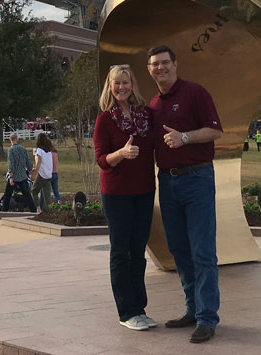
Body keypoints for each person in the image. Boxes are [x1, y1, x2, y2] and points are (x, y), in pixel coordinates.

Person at [146, 45, 223, 344]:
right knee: (179, 250)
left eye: (165, 62)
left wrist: (185, 137)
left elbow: (215, 131)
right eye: (155, 64)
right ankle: (192, 309)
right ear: (149, 69)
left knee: (202, 251)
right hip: (167, 182)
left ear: (175, 64)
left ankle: (207, 318)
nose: (160, 68)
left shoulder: (195, 93)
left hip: (197, 178)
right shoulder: (153, 105)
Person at [93, 64, 157, 331]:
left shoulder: (145, 115)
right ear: (110, 86)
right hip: (117, 194)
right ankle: (126, 311)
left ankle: (139, 308)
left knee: (138, 250)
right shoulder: (105, 119)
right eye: (116, 83)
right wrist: (121, 154)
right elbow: (101, 159)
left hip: (143, 190)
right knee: (121, 251)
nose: (121, 87)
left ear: (133, 85)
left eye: (125, 82)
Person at [1, 134, 36, 213]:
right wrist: (31, 172)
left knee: (7, 195)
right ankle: (33, 210)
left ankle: (4, 211)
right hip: (23, 176)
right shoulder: (23, 149)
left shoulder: (11, 150)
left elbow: (11, 164)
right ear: (17, 139)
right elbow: (28, 161)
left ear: (10, 140)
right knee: (27, 194)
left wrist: (11, 177)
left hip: (14, 176)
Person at [30, 133, 54, 210]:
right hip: (49, 174)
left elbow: (39, 161)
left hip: (42, 174)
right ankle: (50, 211)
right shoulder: (49, 151)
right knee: (47, 196)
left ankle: (38, 209)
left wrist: (35, 172)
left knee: (34, 191)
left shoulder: (39, 150)